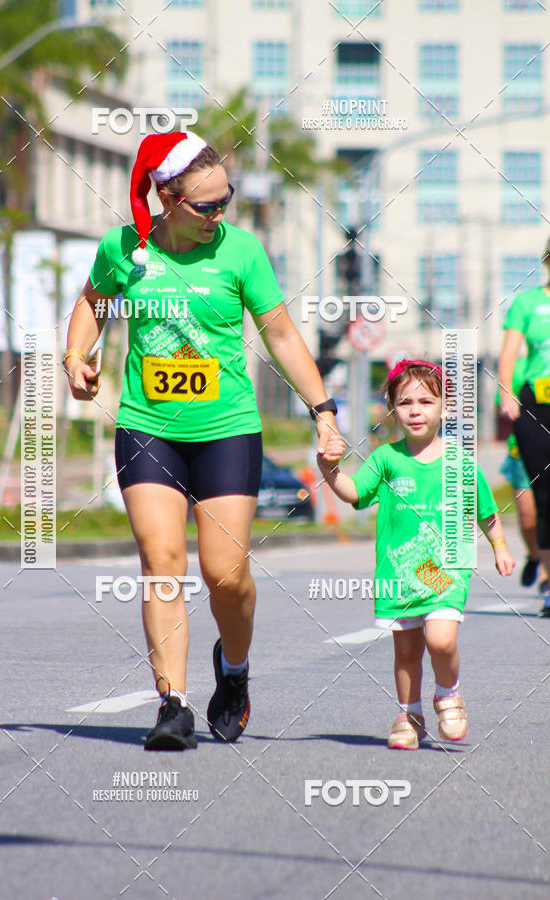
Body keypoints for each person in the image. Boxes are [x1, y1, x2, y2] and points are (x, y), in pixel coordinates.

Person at [63, 131, 342, 750]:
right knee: (162, 563)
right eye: (206, 206)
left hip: (227, 429)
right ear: (167, 197)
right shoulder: (125, 250)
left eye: (227, 201)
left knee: (226, 574)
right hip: (147, 427)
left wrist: (322, 409)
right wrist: (76, 354)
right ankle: (173, 704)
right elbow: (92, 302)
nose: (220, 215)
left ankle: (234, 675)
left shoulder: (241, 252)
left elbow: (285, 338)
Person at [317, 360, 514, 750]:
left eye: (426, 401)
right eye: (405, 402)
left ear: (444, 407)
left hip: (447, 571)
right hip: (399, 572)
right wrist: (329, 470)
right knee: (406, 651)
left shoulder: (460, 462)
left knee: (441, 640)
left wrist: (500, 547)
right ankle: (410, 713)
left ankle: (449, 693)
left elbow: (486, 513)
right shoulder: (386, 458)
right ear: (392, 409)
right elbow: (354, 493)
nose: (415, 410)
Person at [498, 236, 550, 616]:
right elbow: (509, 353)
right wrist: (507, 394)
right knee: (540, 500)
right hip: (537, 407)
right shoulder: (527, 303)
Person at [497, 358, 548, 590]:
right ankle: (534, 555)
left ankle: (547, 575)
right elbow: (505, 409)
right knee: (528, 517)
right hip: (521, 452)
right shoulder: (515, 367)